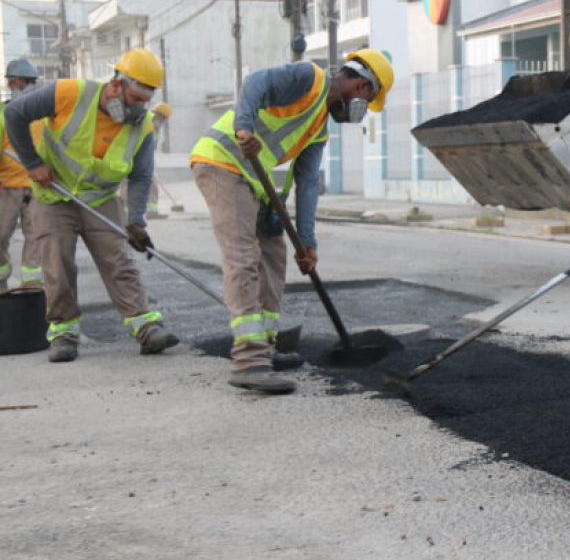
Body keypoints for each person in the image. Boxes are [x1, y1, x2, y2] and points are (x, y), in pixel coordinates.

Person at [189, 50, 393, 394]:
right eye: (368, 99)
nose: (361, 109)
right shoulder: (309, 78)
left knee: (274, 255)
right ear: (361, 87)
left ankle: (266, 348)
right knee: (243, 258)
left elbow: (307, 183)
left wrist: (307, 242)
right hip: (222, 161)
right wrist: (243, 127)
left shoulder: (319, 130)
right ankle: (249, 361)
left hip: (254, 178)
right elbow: (255, 83)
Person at [3, 49, 180, 362]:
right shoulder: (70, 93)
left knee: (118, 260)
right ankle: (64, 333)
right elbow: (15, 113)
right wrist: (32, 163)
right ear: (115, 85)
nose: (139, 108)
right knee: (57, 263)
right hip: (54, 195)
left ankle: (144, 326)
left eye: (145, 101)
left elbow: (140, 177)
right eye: (134, 99)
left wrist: (136, 220)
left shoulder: (142, 126)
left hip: (100, 199)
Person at [0, 58, 43, 289]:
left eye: (30, 82)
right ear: (11, 84)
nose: (27, 86)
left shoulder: (44, 114)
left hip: (37, 187)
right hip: (6, 187)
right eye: (21, 82)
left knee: (36, 236)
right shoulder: (3, 113)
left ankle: (32, 286)